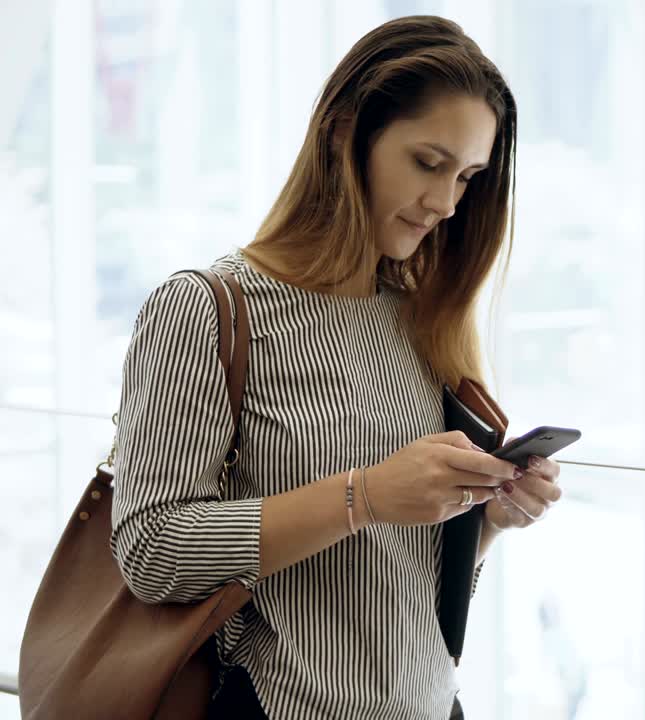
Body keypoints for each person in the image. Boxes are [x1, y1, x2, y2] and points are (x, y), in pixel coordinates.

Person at [109, 16, 563, 719]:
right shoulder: (205, 310)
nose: (446, 204)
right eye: (428, 163)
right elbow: (150, 550)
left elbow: (400, 589)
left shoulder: (421, 318)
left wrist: (489, 520)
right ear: (346, 131)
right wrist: (365, 496)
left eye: (468, 177)